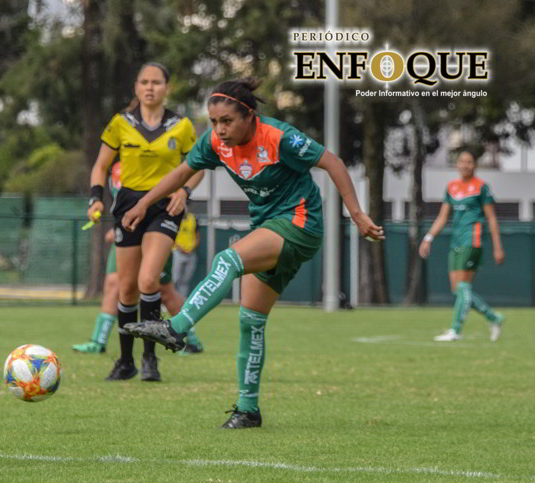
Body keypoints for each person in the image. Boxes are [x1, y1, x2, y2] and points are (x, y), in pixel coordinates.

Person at [122, 78, 383, 428]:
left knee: (227, 260)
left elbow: (333, 162)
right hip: (268, 228)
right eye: (214, 122)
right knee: (251, 320)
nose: (219, 129)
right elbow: (184, 171)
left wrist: (357, 214)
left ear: (249, 116)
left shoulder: (279, 137)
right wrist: (142, 203)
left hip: (300, 223)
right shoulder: (215, 142)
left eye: (227, 121)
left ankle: (177, 328)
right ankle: (248, 410)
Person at [86, 62, 205, 382]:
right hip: (128, 206)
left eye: (156, 82)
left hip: (166, 207)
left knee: (149, 281)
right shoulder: (120, 123)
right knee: (126, 288)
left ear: (167, 87)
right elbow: (100, 166)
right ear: (136, 88)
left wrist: (185, 190)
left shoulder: (181, 125)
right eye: (144, 82)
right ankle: (126, 361)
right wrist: (96, 197)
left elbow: (199, 165)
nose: (149, 87)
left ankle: (151, 359)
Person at [73, 163, 203, 355]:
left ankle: (190, 339)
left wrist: (183, 192)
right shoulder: (117, 163)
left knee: (164, 291)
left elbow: (195, 167)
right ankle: (99, 341)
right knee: (114, 284)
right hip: (127, 231)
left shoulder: (158, 156)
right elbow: (122, 199)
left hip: (156, 231)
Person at [419, 151, 505, 341]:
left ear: (474, 165)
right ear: (457, 165)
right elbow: (443, 217)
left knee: (463, 287)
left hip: (472, 240)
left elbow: (491, 218)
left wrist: (498, 247)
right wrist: (428, 238)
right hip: (456, 241)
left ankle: (455, 330)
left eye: (469, 162)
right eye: (462, 162)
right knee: (458, 291)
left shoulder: (481, 187)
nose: (465, 165)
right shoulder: (451, 187)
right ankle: (494, 317)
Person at [172, 211, 200, 297]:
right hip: (177, 252)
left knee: (185, 280)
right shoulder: (173, 217)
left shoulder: (193, 218)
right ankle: (169, 300)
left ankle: (181, 301)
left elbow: (197, 235)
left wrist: (193, 247)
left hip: (191, 253)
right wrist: (180, 248)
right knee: (175, 279)